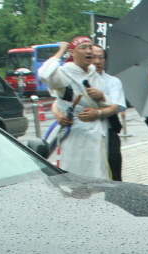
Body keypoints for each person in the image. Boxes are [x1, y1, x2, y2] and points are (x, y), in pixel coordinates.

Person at [40, 37, 110, 180]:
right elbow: (44, 74)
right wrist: (61, 52)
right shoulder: (64, 74)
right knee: (76, 177)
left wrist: (101, 97)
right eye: (83, 47)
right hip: (75, 135)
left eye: (90, 47)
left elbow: (109, 104)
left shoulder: (95, 76)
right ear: (72, 52)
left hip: (97, 134)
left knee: (98, 176)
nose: (88, 51)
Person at [91, 45, 126, 181]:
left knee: (114, 173)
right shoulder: (80, 80)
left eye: (101, 57)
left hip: (109, 133)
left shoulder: (113, 82)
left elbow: (115, 107)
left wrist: (98, 111)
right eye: (93, 57)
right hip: (87, 133)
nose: (97, 61)